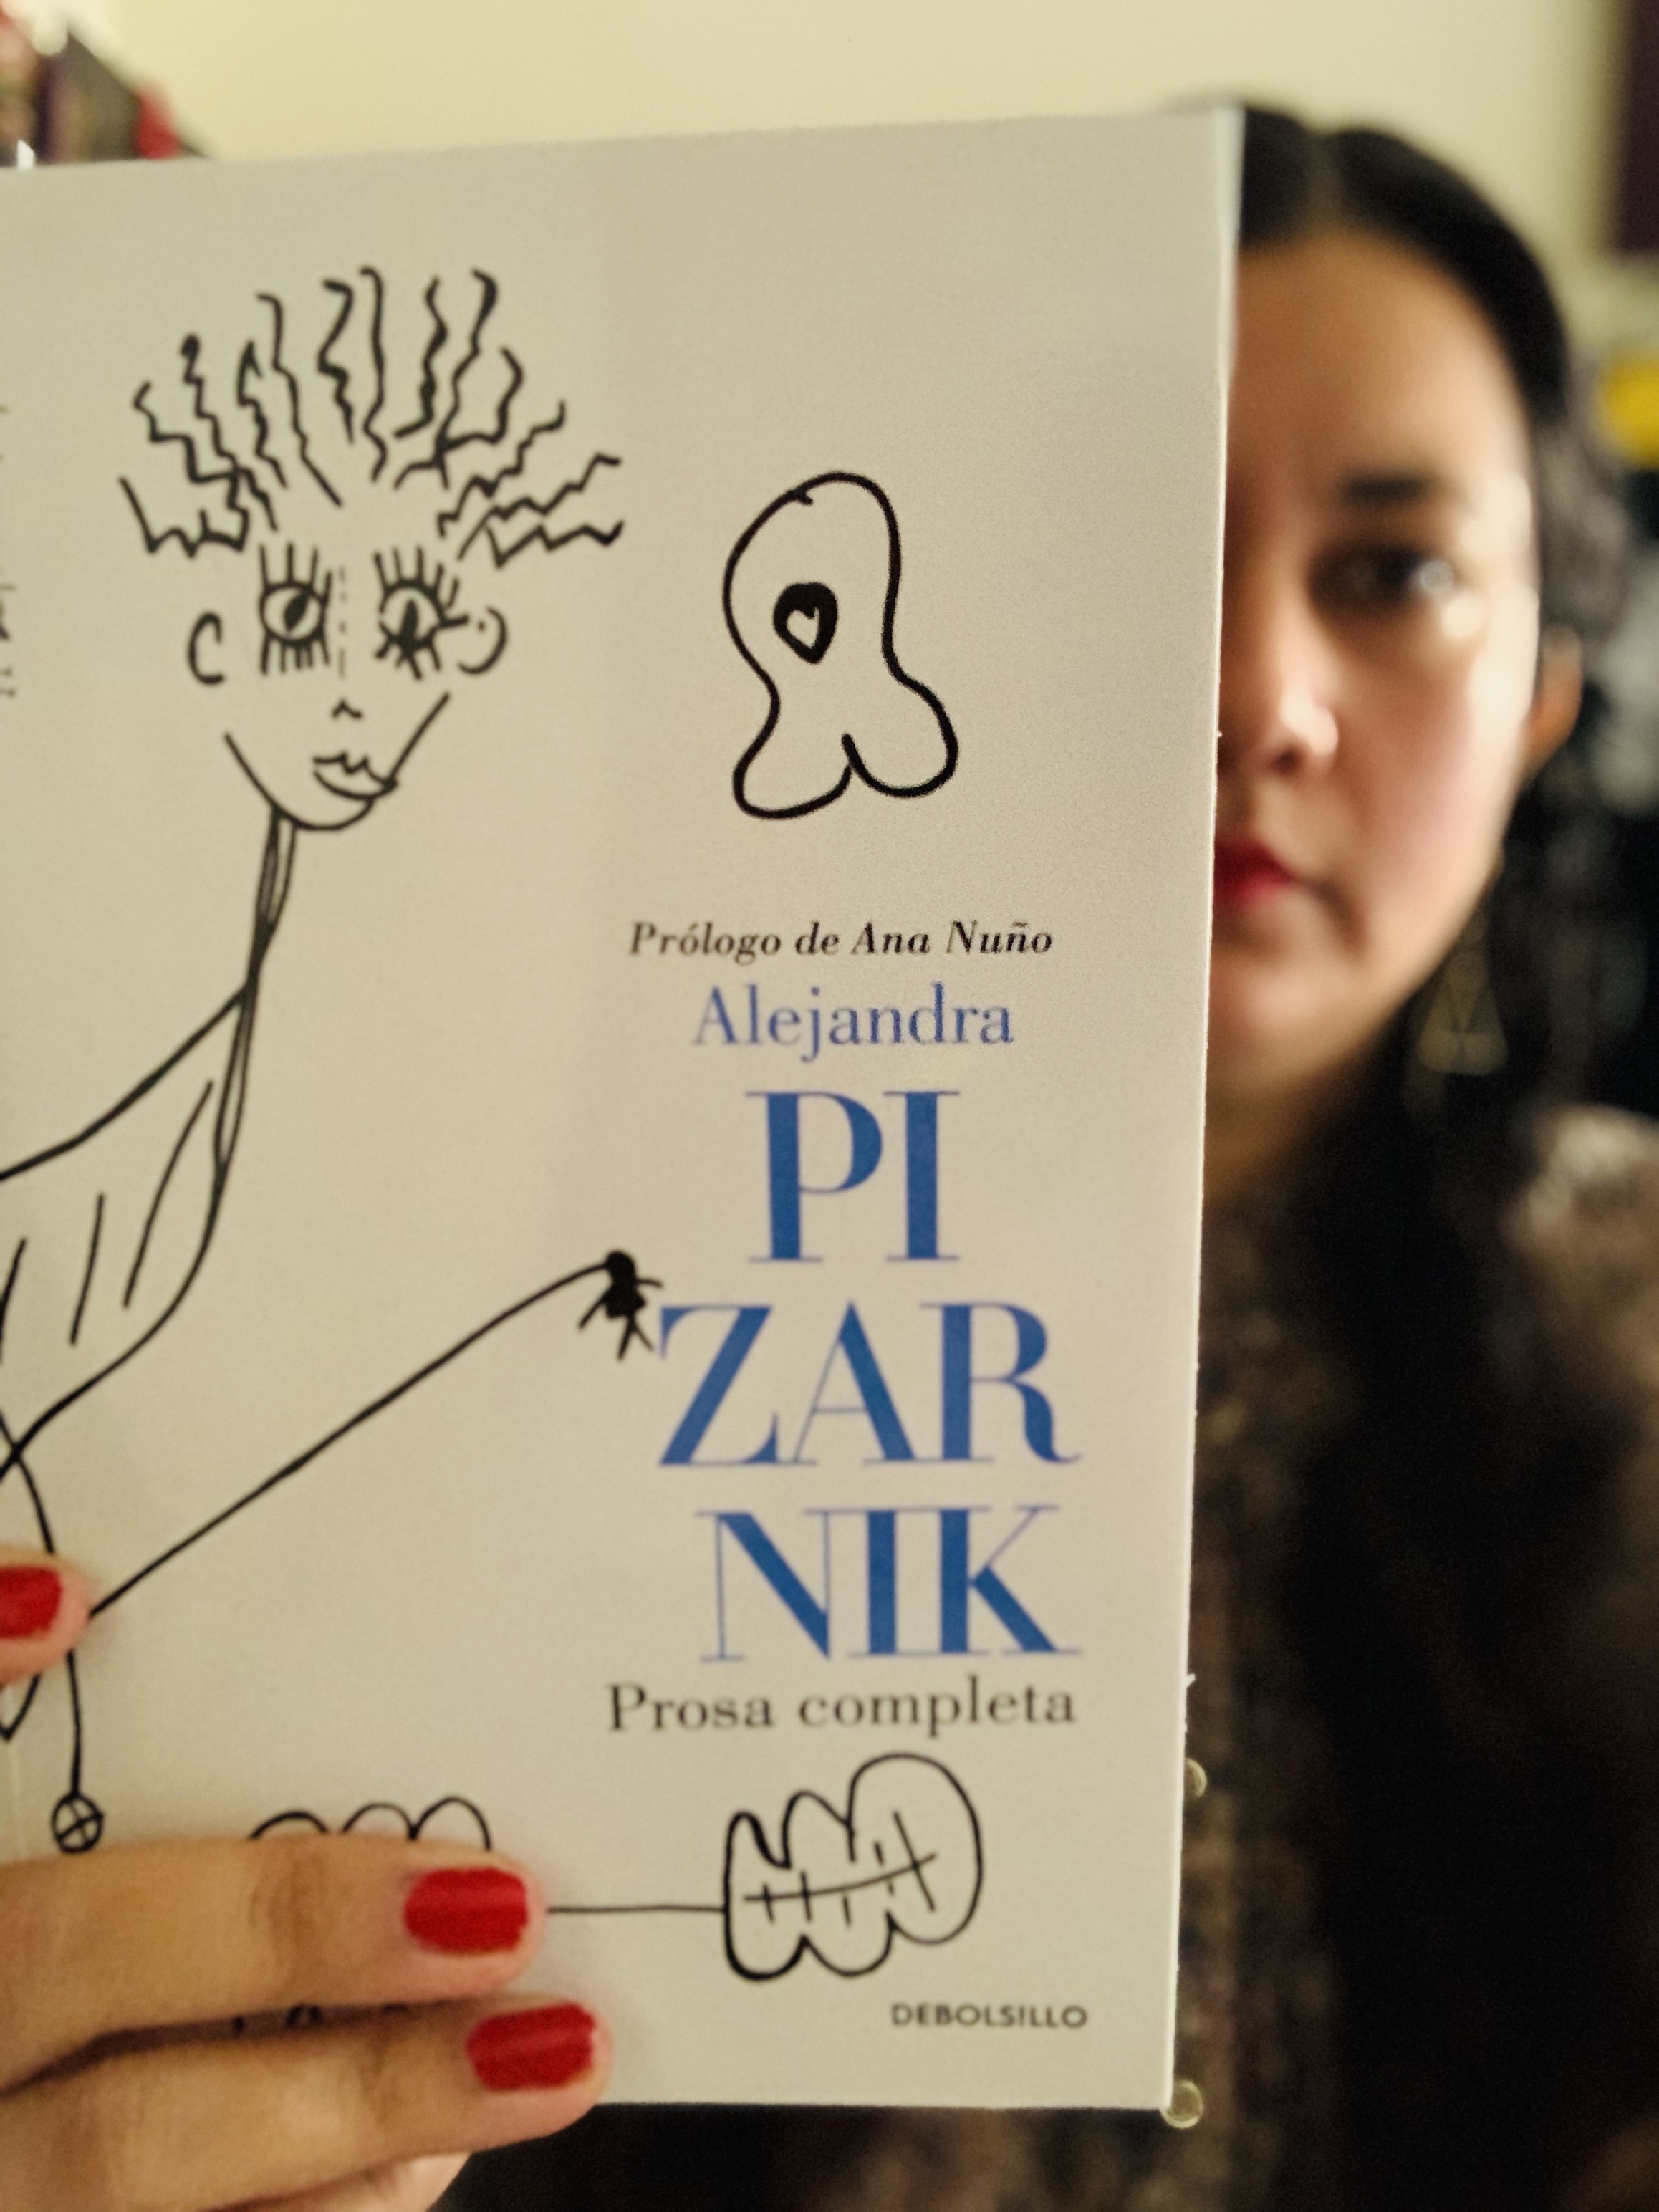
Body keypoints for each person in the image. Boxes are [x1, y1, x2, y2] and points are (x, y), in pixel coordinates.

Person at [1, 105, 1655, 2211]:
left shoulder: (1632, 1316)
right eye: (1133, 537)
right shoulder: (466, 1273)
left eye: (1392, 573)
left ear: (1543, 701)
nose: (1254, 696)